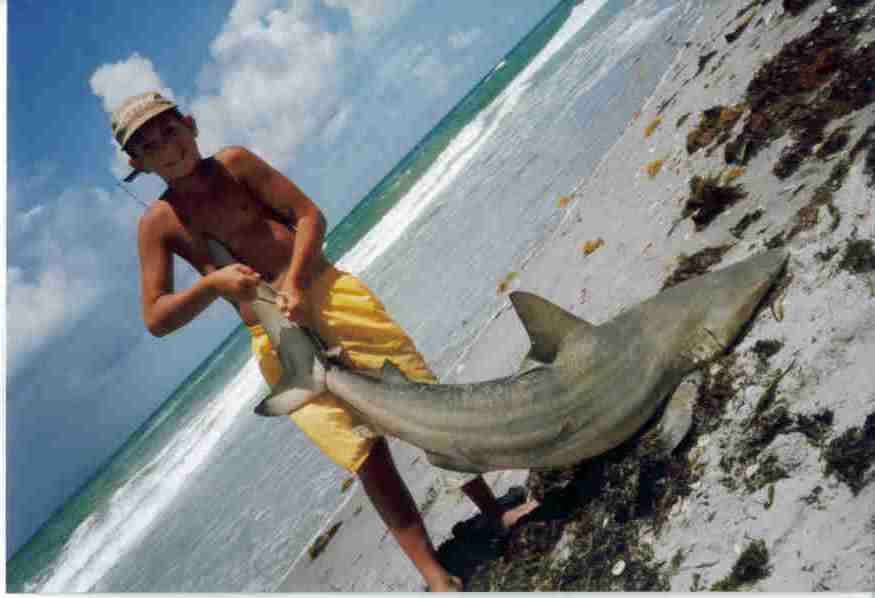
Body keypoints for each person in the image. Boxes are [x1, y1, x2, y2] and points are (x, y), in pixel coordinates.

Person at [113, 92, 537, 591]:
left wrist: (292, 281)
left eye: (170, 130)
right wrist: (211, 285)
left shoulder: (236, 163)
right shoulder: (157, 225)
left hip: (330, 294)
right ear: (137, 163)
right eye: (151, 145)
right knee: (366, 455)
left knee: (424, 404)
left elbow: (310, 215)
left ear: (191, 124)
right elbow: (156, 318)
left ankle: (493, 513)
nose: (168, 147)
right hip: (275, 341)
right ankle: (435, 576)